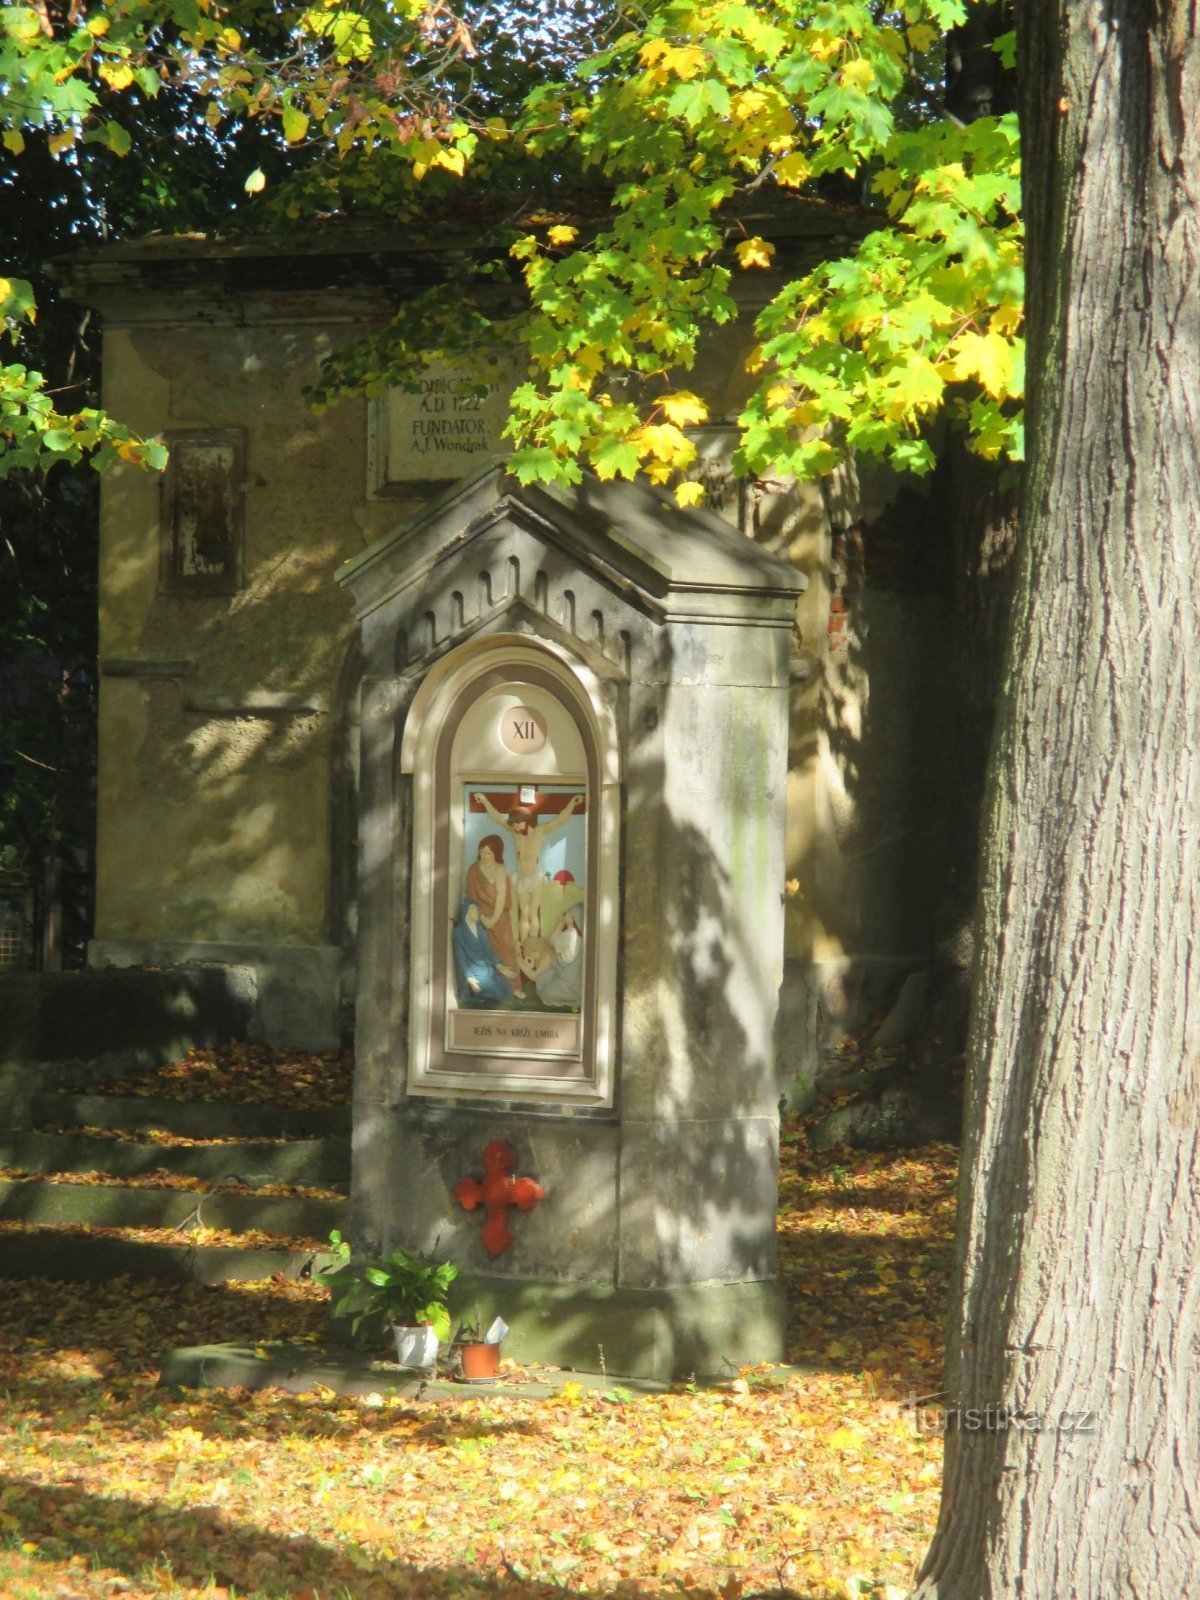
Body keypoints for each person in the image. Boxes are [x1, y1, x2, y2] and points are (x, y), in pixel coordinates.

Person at [471, 791, 583, 948]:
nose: (515, 826)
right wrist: (484, 801)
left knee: (532, 913)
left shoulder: (539, 832)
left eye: (517, 823)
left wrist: (572, 803)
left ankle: (534, 946)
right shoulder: (515, 834)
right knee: (524, 913)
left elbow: (559, 821)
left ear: (525, 821)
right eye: (513, 824)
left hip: (534, 878)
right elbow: (497, 818)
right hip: (522, 879)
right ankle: (524, 946)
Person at [464, 834, 522, 992]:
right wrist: (482, 918)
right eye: (482, 851)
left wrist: (493, 919)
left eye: (489, 853)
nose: (485, 856)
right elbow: (471, 897)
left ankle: (513, 987)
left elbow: (502, 896)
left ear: (497, 853)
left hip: (499, 915)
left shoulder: (500, 869)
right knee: (484, 948)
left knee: (506, 947)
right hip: (479, 914)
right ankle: (491, 986)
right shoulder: (473, 870)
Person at [452, 900, 517, 1007]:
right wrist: (469, 977)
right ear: (466, 912)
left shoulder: (481, 930)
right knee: (495, 992)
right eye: (474, 909)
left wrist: (499, 966)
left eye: (478, 909)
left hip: (487, 969)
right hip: (474, 972)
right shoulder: (459, 932)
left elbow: (488, 951)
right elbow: (460, 957)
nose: (478, 912)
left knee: (506, 988)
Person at [523, 906, 584, 1010]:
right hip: (560, 970)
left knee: (546, 994)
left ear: (573, 919)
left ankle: (577, 1001)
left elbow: (551, 942)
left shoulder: (571, 935)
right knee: (541, 980)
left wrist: (560, 924)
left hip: (568, 977)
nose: (564, 916)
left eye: (568, 915)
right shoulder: (570, 932)